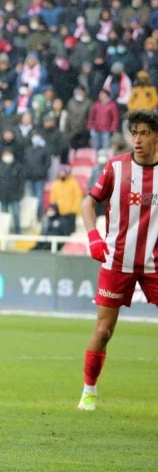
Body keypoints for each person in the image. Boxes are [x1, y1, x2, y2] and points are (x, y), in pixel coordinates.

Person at [78, 110, 158, 411]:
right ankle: (89, 391)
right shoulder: (116, 167)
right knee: (103, 331)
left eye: (144, 133)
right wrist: (93, 236)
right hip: (117, 260)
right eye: (133, 133)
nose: (137, 139)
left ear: (156, 137)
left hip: (154, 263)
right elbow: (88, 203)